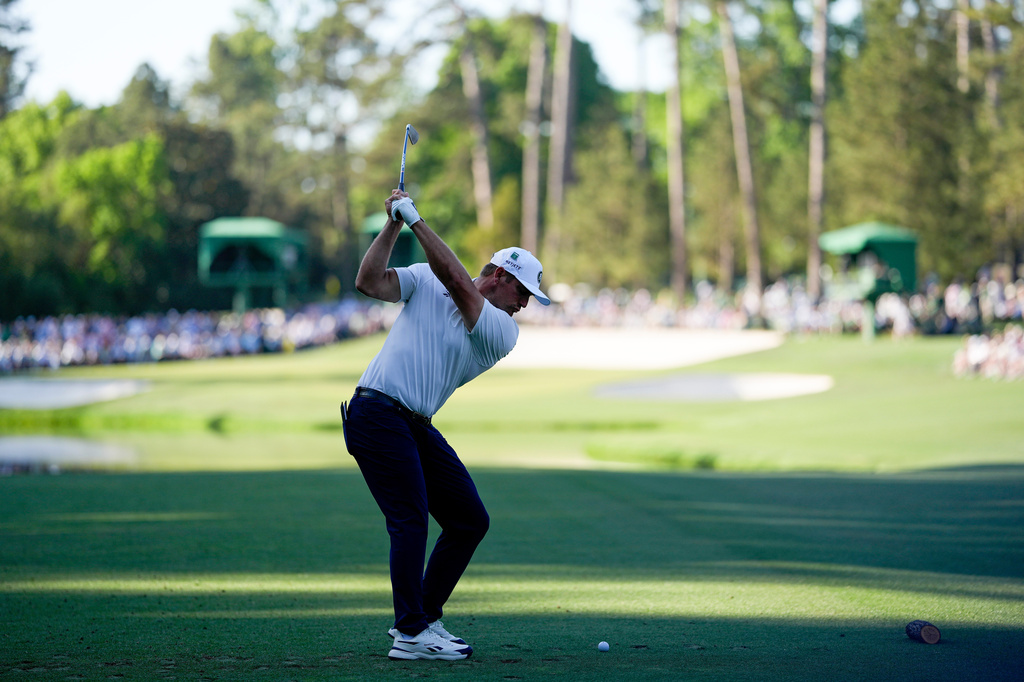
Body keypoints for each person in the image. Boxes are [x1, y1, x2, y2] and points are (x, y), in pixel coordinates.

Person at [342, 189, 549, 661]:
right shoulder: (424, 279)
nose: (525, 305)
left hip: (413, 422)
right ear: (500, 276)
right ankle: (411, 631)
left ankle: (425, 618)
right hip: (376, 412)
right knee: (410, 519)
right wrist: (393, 224)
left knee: (469, 520)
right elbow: (369, 282)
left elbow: (457, 280)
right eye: (523, 293)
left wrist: (415, 217)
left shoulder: (502, 330)